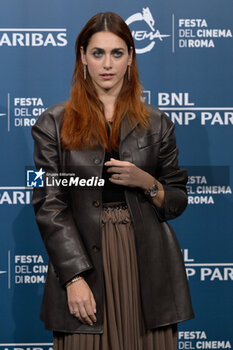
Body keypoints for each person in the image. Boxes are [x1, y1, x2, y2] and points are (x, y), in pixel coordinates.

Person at [31, 12, 194, 350]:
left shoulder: (158, 123)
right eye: (98, 53)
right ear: (82, 57)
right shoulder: (52, 123)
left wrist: (147, 181)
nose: (107, 64)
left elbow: (177, 200)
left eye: (117, 53)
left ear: (130, 57)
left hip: (146, 265)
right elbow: (49, 204)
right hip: (84, 259)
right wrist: (73, 278)